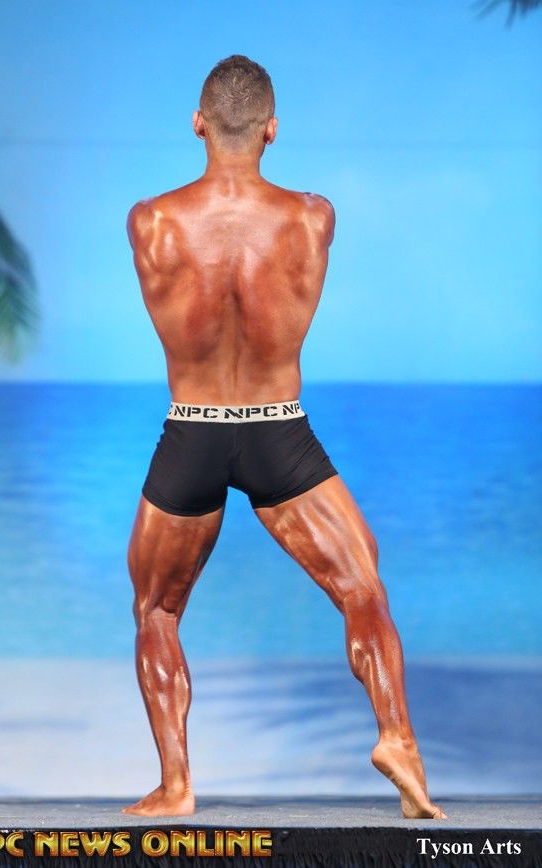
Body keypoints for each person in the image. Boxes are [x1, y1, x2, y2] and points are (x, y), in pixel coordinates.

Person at [123, 54, 446, 820]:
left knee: (157, 612)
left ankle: (176, 785)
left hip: (192, 432)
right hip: (279, 431)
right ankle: (397, 739)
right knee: (362, 587)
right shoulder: (313, 218)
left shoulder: (151, 222)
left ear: (197, 124)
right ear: (272, 129)